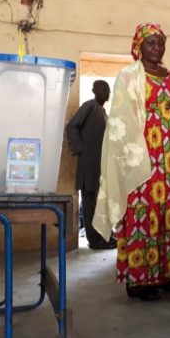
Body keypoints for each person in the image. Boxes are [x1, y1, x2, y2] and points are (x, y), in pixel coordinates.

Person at [93, 23, 170, 301]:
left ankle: (165, 274)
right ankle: (138, 280)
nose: (157, 48)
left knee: (169, 213)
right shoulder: (128, 76)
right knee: (143, 213)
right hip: (142, 157)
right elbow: (119, 118)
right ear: (139, 45)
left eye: (161, 43)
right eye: (152, 43)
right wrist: (134, 155)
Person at [66, 80, 114, 250]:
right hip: (89, 164)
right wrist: (80, 148)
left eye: (108, 89)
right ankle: (94, 240)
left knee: (99, 202)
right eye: (103, 88)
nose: (107, 91)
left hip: (100, 165)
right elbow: (72, 126)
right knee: (89, 203)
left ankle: (105, 237)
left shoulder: (103, 112)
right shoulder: (90, 106)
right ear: (94, 90)